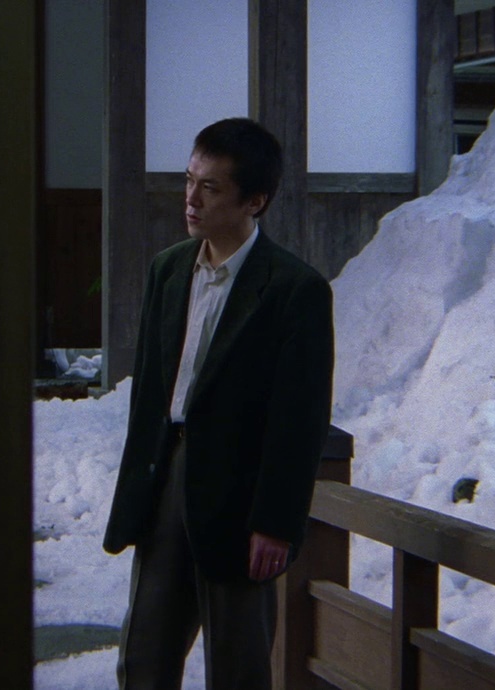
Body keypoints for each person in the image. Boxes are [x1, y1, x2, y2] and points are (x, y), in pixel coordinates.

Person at [103, 118, 334, 690]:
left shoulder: (292, 289)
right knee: (144, 657)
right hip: (168, 477)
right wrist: (137, 491)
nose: (191, 198)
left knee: (237, 665)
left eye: (210, 187)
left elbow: (299, 419)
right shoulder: (169, 269)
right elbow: (152, 396)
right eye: (189, 180)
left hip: (240, 493)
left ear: (254, 200)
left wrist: (276, 523)